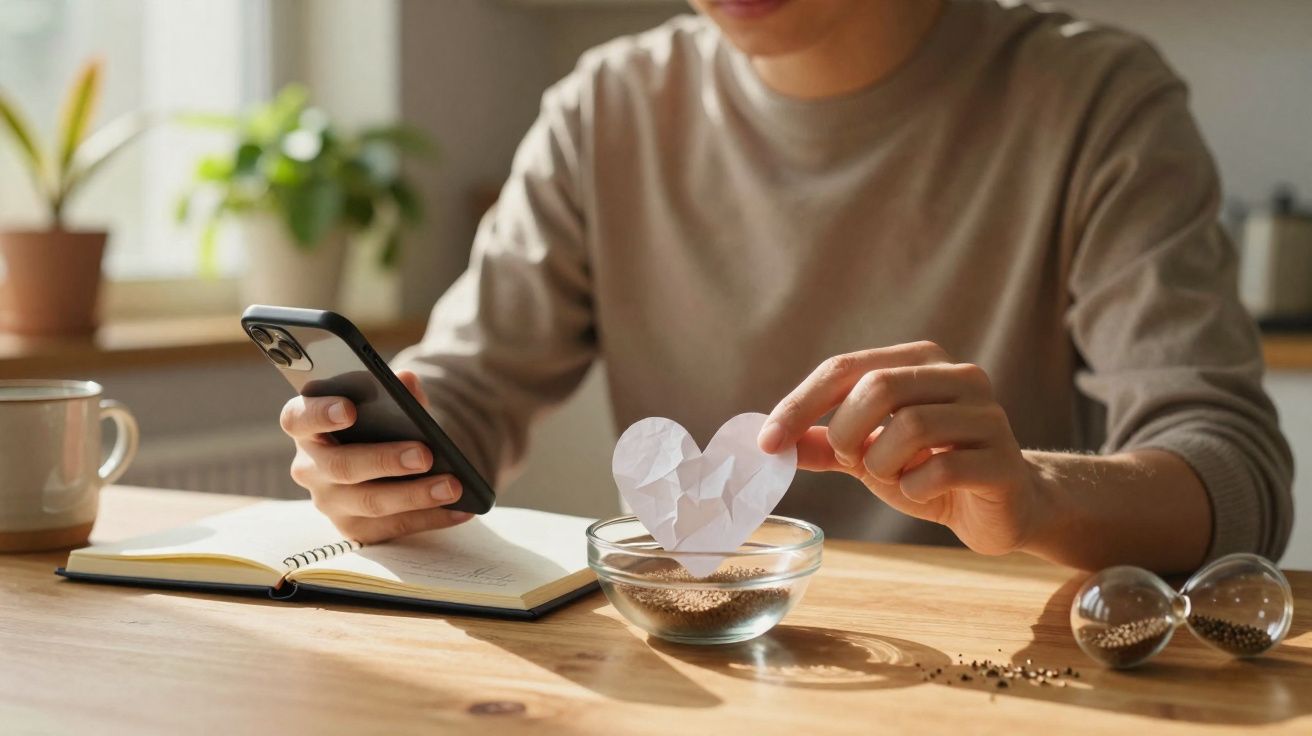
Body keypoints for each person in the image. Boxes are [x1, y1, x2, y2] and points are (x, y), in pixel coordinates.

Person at [278, 0, 1293, 574]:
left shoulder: (1096, 101)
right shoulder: (606, 107)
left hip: (1002, 677)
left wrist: (1031, 494)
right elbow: (463, 393)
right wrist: (386, 459)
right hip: (700, 656)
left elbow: (1236, 481)